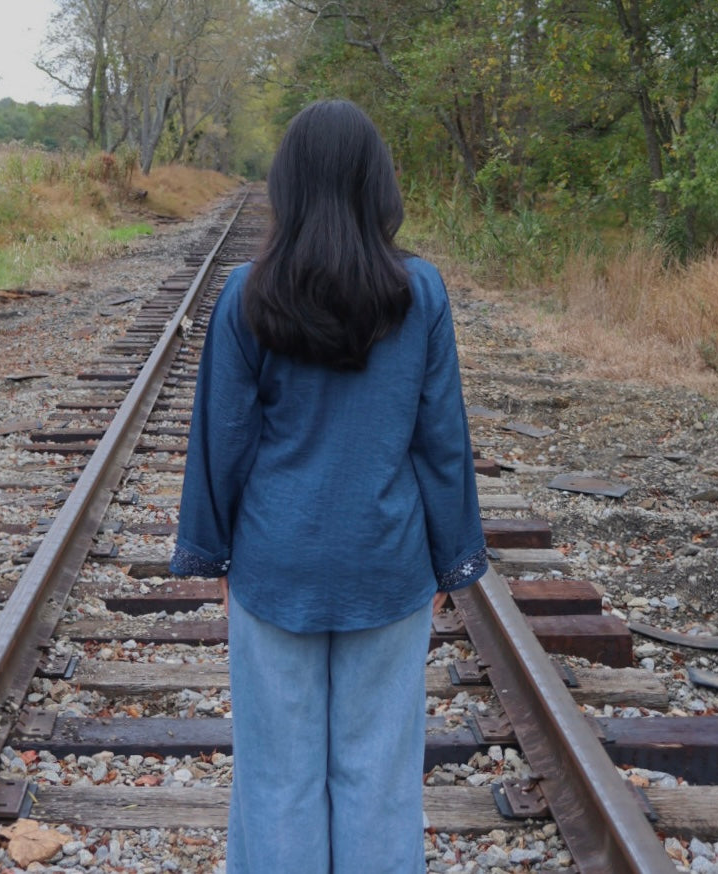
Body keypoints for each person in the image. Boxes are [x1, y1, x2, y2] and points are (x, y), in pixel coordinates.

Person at [170, 99, 487, 874]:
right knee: (378, 777)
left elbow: (222, 440)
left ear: (288, 185)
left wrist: (213, 560)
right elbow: (441, 442)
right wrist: (453, 565)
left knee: (277, 778)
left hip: (276, 564)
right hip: (388, 561)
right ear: (376, 186)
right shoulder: (422, 292)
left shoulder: (248, 295)